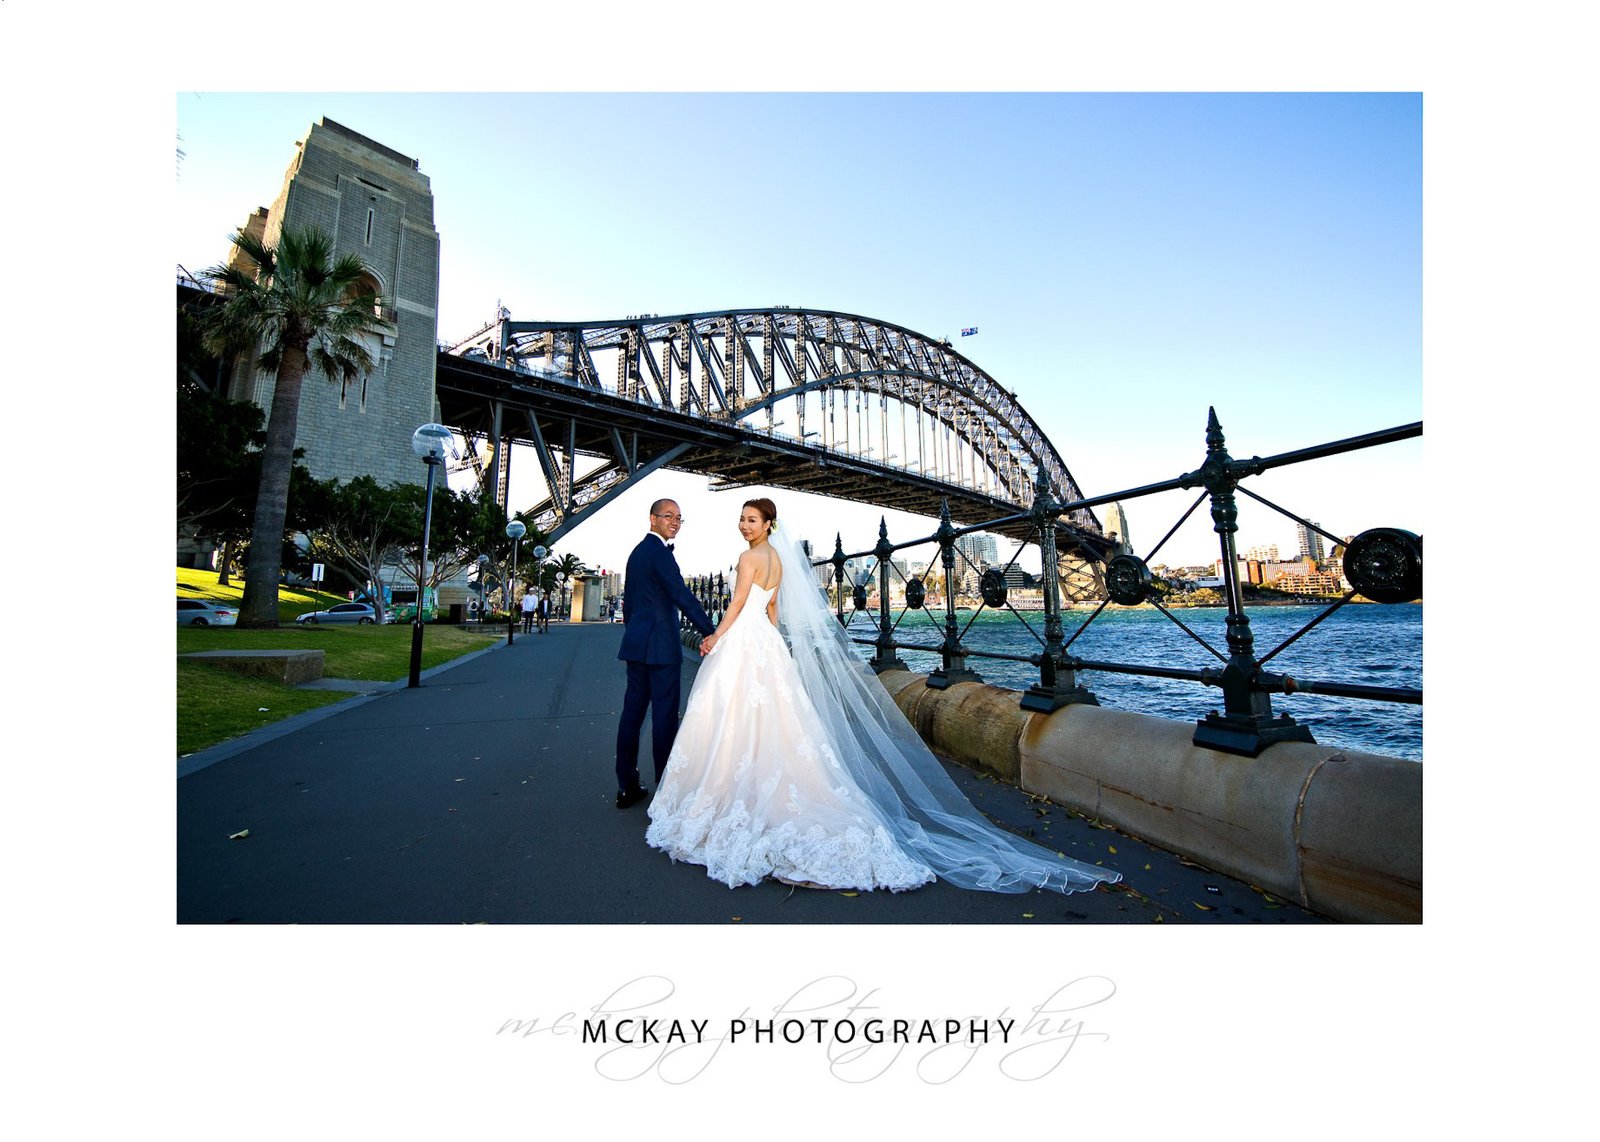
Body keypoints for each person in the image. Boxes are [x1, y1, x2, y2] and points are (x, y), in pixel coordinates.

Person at [644, 498, 1121, 896]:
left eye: (751, 519)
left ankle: (726, 789)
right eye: (742, 519)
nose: (743, 525)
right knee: (777, 724)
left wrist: (715, 639)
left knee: (732, 720)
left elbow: (737, 606)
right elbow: (771, 611)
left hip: (745, 641)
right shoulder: (780, 560)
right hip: (765, 644)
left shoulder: (749, 558)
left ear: (768, 524)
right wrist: (773, 650)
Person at [615, 498, 716, 809]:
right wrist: (710, 630)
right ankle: (667, 791)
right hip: (661, 648)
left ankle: (627, 787)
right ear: (652, 518)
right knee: (664, 718)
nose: (675, 522)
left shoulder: (636, 553)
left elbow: (629, 605)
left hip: (637, 645)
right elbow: (682, 595)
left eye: (679, 518)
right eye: (668, 516)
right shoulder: (660, 553)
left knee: (632, 716)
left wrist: (637, 635)